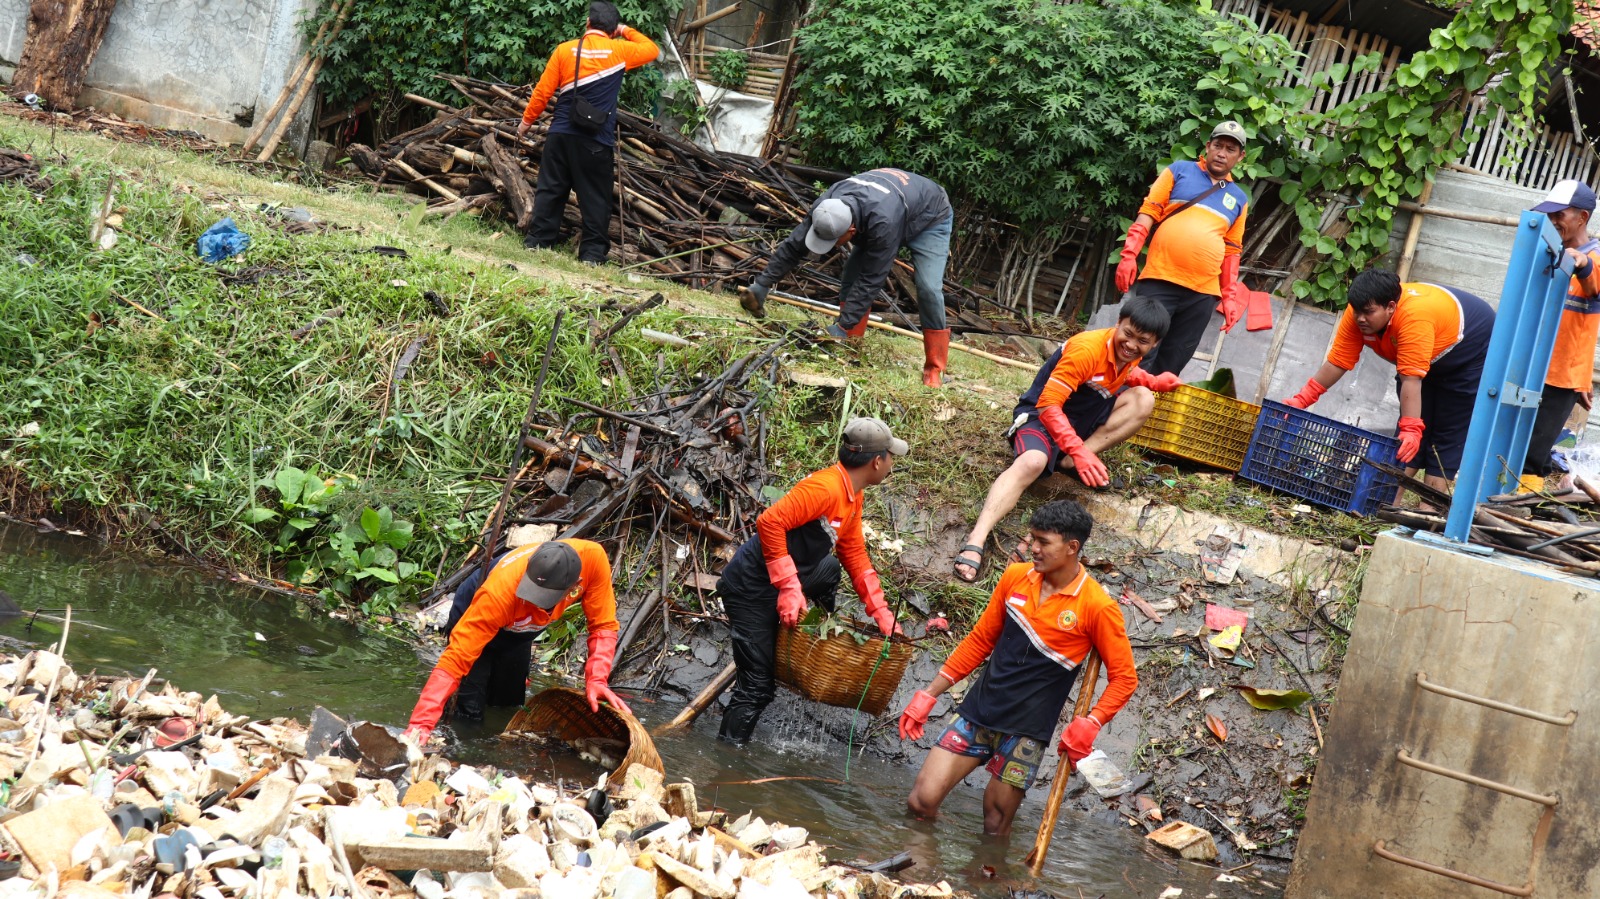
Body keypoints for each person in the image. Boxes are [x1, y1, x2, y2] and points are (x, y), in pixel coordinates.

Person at [899, 500, 1137, 836]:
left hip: (1025, 731)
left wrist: (1092, 722)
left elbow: (1125, 678)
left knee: (995, 826)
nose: (1034, 549)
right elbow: (979, 641)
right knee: (921, 801)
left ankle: (986, 882)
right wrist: (928, 694)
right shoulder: (1015, 577)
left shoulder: (1097, 606)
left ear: (1072, 548)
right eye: (1033, 539)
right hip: (977, 712)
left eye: (1044, 542)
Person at [951, 297, 1177, 583]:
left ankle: (1070, 461)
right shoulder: (1087, 349)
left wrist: (1156, 383)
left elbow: (1129, 372)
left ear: (1153, 344)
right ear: (1118, 323)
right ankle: (977, 538)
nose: (1131, 345)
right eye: (1127, 334)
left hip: (1078, 422)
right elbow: (1048, 405)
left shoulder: (1129, 358)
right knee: (1033, 462)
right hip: (1040, 416)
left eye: (1142, 341)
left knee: (1144, 399)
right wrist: (1079, 449)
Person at [716, 418, 907, 745]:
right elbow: (770, 522)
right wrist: (789, 588)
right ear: (877, 461)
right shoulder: (826, 488)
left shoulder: (853, 493)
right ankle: (727, 757)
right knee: (757, 688)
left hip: (782, 580)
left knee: (830, 567)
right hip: (750, 588)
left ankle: (800, 640)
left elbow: (854, 553)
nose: (891, 463)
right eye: (891, 456)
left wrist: (881, 613)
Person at [738, 169, 956, 387]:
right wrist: (762, 285)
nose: (829, 246)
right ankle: (851, 347)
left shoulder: (883, 224)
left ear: (852, 229)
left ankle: (935, 369)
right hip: (887, 205)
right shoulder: (827, 206)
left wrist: (841, 326)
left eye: (834, 240)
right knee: (850, 276)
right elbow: (794, 246)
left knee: (928, 288)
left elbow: (871, 279)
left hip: (929, 217)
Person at [1284, 270, 1495, 493]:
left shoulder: (1414, 319)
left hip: (1470, 347)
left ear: (1391, 307)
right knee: (1405, 436)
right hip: (1429, 343)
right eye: (1357, 312)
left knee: (1446, 430)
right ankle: (1384, 502)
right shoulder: (1358, 312)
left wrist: (1412, 428)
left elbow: (1410, 379)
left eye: (1368, 312)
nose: (1360, 318)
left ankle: (1428, 512)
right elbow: (1338, 362)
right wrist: (1302, 399)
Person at [403, 540, 627, 743]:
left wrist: (597, 679)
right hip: (478, 611)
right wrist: (419, 727)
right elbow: (453, 663)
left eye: (543, 598)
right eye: (532, 592)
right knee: (469, 713)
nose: (533, 601)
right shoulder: (499, 594)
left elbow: (603, 625)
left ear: (575, 587)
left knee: (508, 705)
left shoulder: (593, 560)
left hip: (519, 632)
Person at [516, 2, 659, 264]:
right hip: (596, 139)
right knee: (595, 197)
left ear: (587, 24)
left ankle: (538, 242)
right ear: (612, 29)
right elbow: (652, 49)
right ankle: (592, 255)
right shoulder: (621, 50)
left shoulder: (565, 50)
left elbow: (543, 91)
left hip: (561, 134)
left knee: (551, 189)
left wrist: (526, 122)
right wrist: (626, 30)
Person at [1115, 121, 1252, 376]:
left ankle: (1145, 413)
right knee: (1137, 354)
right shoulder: (1178, 171)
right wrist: (1129, 255)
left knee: (1173, 362)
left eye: (1230, 149)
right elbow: (1147, 213)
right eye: (1218, 145)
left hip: (1202, 294)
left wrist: (1229, 298)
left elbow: (1233, 250)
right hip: (1160, 279)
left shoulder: (1239, 199)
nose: (1222, 153)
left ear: (1240, 156)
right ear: (1208, 146)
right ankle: (1112, 411)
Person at [1522, 180, 1600, 490]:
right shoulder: (1549, 250)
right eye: (1549, 215)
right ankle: (1512, 500)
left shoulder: (1593, 254)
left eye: (1560, 215)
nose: (1553, 222)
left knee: (1534, 450)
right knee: (1519, 441)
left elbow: (1594, 286)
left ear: (1582, 217)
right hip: (1533, 364)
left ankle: (1518, 510)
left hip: (1563, 372)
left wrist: (1581, 264)